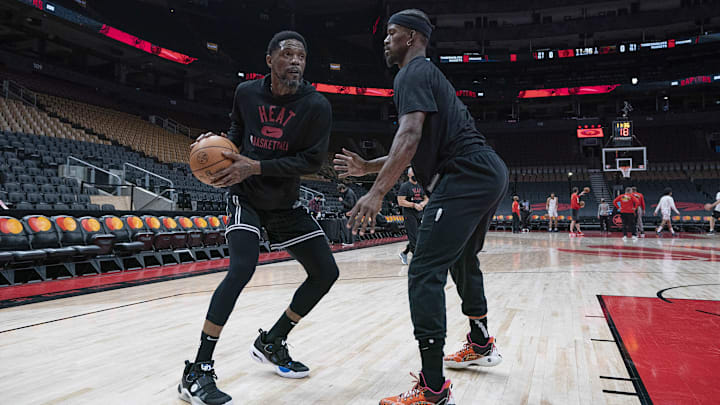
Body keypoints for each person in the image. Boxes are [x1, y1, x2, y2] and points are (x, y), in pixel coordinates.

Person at [333, 9, 507, 404]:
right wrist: (367, 168)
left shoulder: (410, 74)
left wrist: (376, 192)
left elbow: (409, 135)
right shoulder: (428, 75)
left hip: (462, 175)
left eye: (391, 33)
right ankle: (480, 343)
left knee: (424, 270)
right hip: (487, 172)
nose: (385, 40)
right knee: (462, 259)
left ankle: (433, 391)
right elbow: (409, 147)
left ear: (411, 38)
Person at [179, 31, 340, 405]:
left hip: (284, 203)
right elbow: (236, 134)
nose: (295, 61)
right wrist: (213, 147)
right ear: (270, 60)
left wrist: (258, 166)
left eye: (301, 55)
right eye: (287, 54)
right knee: (241, 269)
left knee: (326, 273)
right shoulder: (246, 94)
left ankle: (272, 339)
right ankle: (197, 370)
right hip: (245, 198)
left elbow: (312, 161)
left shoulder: (316, 105)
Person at [397, 167, 428, 264]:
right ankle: (419, 260)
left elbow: (427, 198)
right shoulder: (405, 186)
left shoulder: (421, 186)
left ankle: (404, 253)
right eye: (413, 174)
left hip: (420, 214)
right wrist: (414, 205)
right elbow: (400, 201)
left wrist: (423, 204)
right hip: (409, 214)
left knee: (419, 237)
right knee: (414, 237)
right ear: (409, 175)